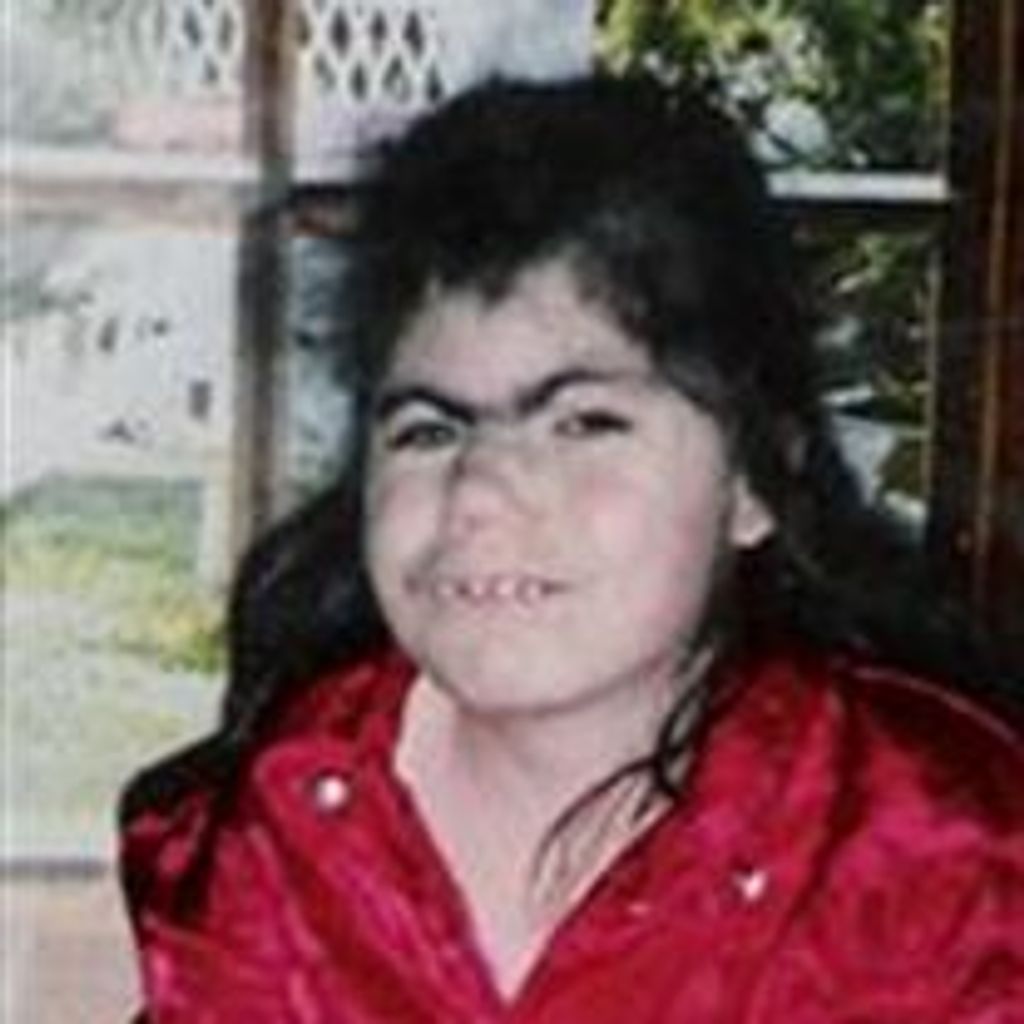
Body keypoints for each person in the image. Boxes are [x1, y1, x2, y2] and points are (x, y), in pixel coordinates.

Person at [120, 75, 1024, 1022]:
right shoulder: (260, 834)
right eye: (430, 429)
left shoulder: (951, 861)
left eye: (584, 423)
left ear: (753, 481)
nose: (479, 490)